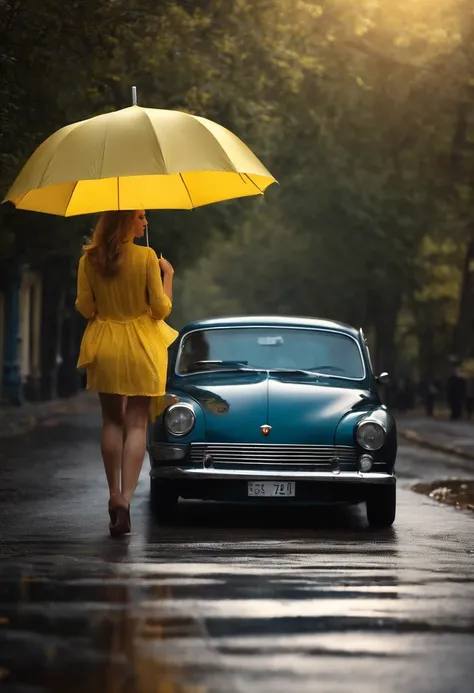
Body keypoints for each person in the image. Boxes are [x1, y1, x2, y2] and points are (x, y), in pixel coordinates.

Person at [75, 210, 178, 536]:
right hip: (141, 348)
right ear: (124, 222)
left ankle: (114, 495)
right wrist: (168, 275)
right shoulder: (147, 257)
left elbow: (86, 308)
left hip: (105, 345)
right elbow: (161, 310)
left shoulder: (88, 260)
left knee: (111, 421)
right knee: (136, 423)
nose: (145, 223)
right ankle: (128, 498)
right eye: (140, 216)